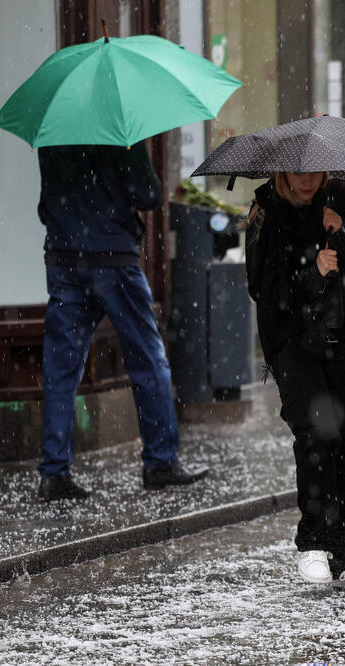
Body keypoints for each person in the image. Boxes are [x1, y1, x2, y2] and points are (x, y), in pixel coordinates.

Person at [37, 142, 209, 502]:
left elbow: (44, 206)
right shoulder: (120, 131)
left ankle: (54, 472)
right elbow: (148, 194)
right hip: (113, 258)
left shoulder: (54, 133)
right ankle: (160, 462)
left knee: (61, 370)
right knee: (148, 359)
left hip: (64, 257)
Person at [244, 171, 345, 593]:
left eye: (316, 173)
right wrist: (312, 270)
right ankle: (314, 541)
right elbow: (260, 289)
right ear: (283, 170)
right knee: (316, 430)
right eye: (298, 173)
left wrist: (342, 237)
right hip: (293, 340)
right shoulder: (264, 210)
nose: (308, 181)